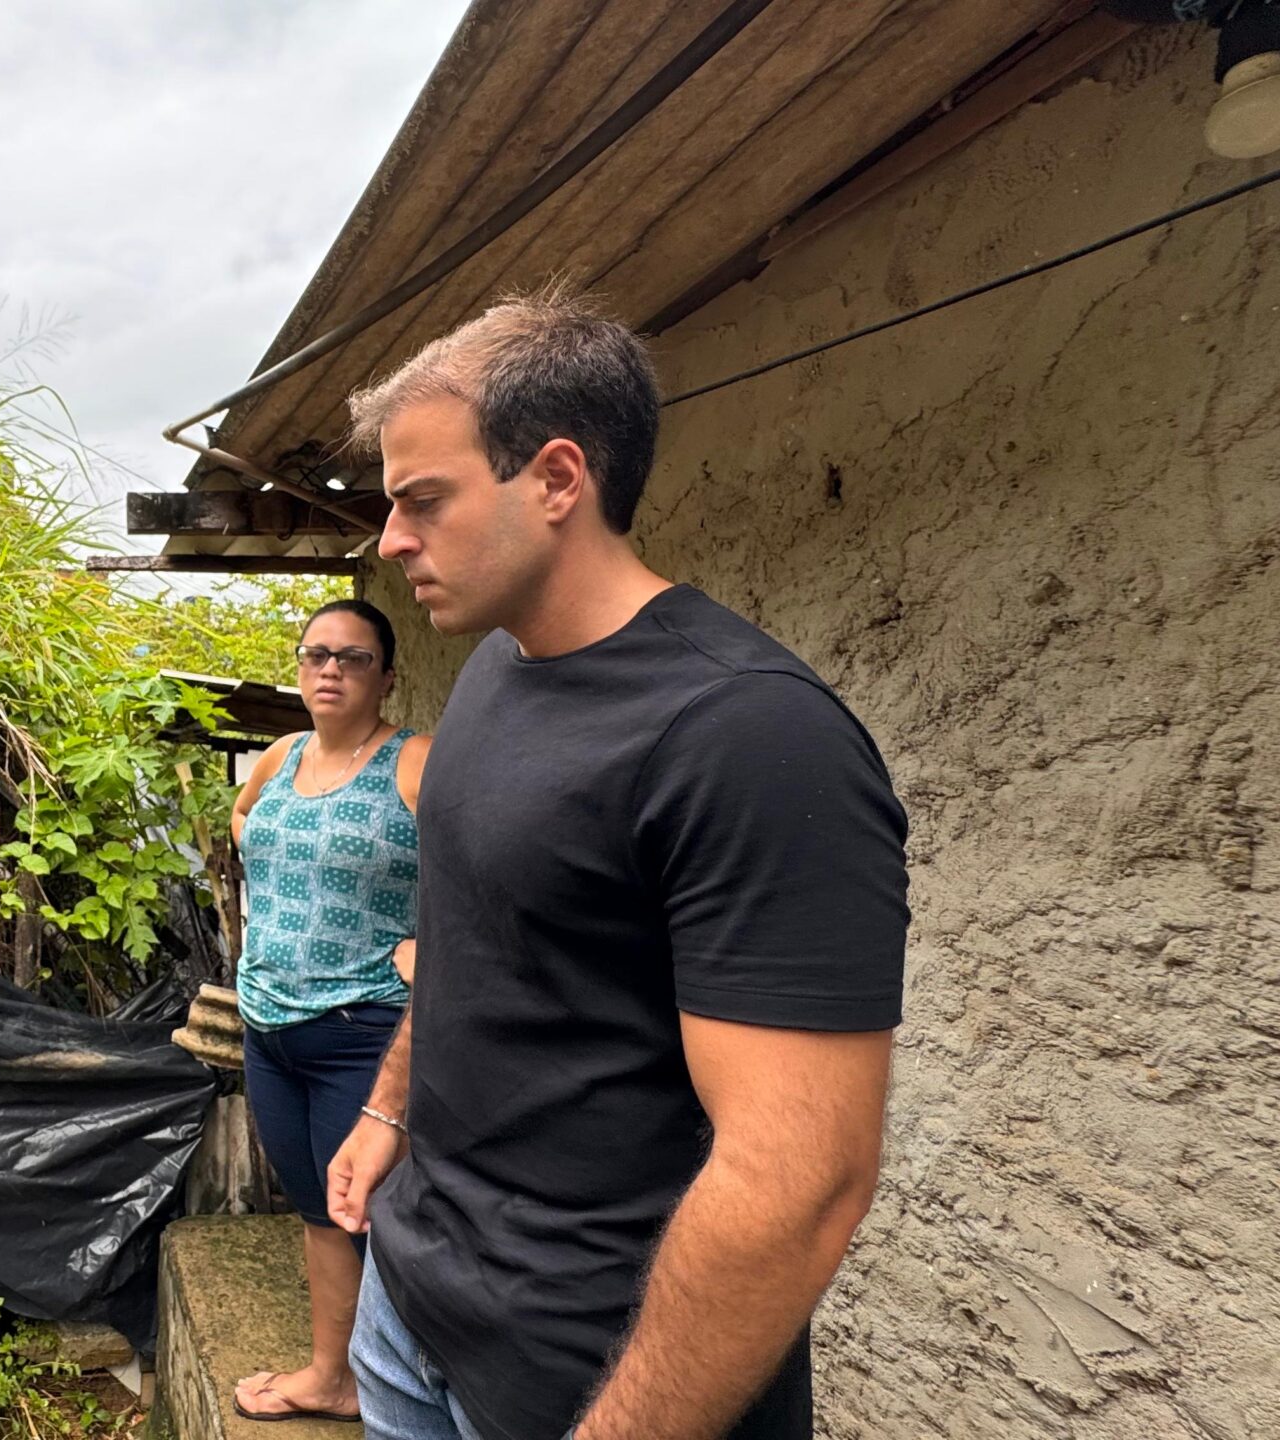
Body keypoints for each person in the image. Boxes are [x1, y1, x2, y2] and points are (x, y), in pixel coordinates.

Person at [326, 291, 909, 1440]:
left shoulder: (747, 736)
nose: (391, 543)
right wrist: (389, 1113)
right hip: (408, 1311)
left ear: (554, 479)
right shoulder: (496, 670)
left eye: (421, 502)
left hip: (583, 1381)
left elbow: (799, 1184)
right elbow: (467, 929)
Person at [225, 599, 433, 1425]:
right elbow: (244, 819)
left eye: (351, 657)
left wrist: (427, 939)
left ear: (386, 673)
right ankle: (332, 1376)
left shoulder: (416, 763)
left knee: (379, 1218)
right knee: (319, 1208)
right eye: (316, 655)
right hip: (270, 1028)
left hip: (367, 1031)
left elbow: (487, 859)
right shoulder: (279, 756)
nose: (330, 670)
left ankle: (415, 1392)